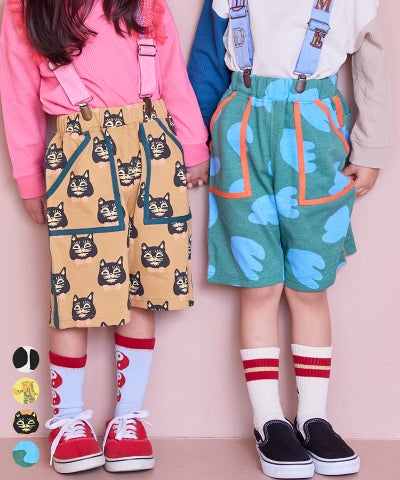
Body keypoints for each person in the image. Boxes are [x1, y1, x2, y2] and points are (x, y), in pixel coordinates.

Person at [0, 0, 209, 474]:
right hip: (79, 153)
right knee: (76, 289)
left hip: (154, 148)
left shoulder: (145, 6)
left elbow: (172, 73)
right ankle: (68, 420)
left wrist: (193, 143)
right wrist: (29, 179)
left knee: (142, 286)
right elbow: (17, 100)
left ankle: (129, 418)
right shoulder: (25, 11)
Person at [188, 0, 391, 478]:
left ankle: (314, 417)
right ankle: (268, 421)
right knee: (259, 285)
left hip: (316, 130)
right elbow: (206, 62)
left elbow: (374, 66)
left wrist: (371, 147)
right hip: (240, 130)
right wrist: (194, 143)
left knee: (309, 286)